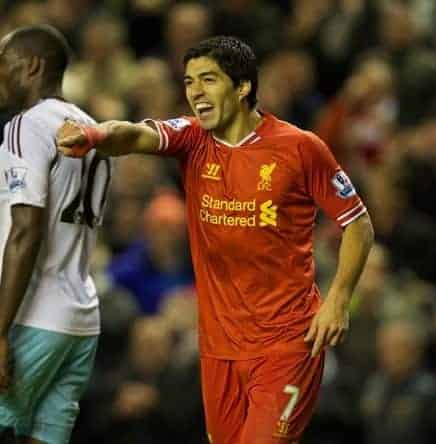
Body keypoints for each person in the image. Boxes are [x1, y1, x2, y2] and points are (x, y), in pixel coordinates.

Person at [57, 36, 374, 444]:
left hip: (287, 342)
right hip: (219, 346)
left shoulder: (300, 148)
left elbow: (358, 224)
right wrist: (95, 135)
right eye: (189, 82)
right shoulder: (191, 139)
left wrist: (338, 300)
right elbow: (134, 135)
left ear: (243, 86)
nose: (195, 93)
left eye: (208, 80)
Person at [0, 24, 112, 444]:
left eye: (2, 63)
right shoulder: (92, 129)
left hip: (31, 317)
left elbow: (26, 231)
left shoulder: (27, 126)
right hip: (80, 322)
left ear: (32, 66)